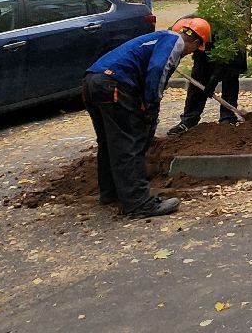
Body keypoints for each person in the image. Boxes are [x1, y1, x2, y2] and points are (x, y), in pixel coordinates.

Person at [80, 18, 207, 218]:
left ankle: (110, 193)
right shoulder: (174, 42)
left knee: (109, 142)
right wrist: (151, 106)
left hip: (93, 83)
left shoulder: (156, 39)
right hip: (113, 85)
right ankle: (138, 203)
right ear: (195, 42)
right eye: (195, 50)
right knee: (128, 144)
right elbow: (157, 70)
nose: (190, 54)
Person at [168, 14, 248, 134]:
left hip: (230, 53)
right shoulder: (181, 27)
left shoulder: (223, 33)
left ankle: (228, 118)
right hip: (204, 49)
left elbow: (223, 63)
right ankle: (188, 121)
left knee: (229, 79)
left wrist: (213, 80)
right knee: (197, 80)